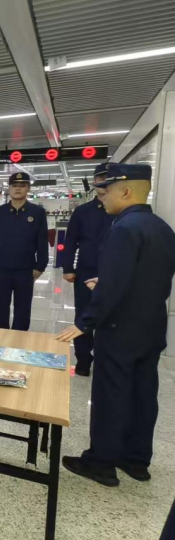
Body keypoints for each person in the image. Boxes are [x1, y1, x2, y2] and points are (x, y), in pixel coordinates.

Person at [58, 164, 175, 487]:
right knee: (143, 393)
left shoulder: (123, 228)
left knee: (112, 393)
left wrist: (86, 322)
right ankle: (136, 459)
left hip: (119, 328)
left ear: (125, 191)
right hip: (151, 325)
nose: (103, 197)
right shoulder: (162, 228)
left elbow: (113, 287)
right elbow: (148, 276)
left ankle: (101, 462)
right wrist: (107, 282)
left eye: (106, 191)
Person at [61, 163, 115, 376]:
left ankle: (106, 360)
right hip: (86, 271)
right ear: (94, 181)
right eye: (101, 177)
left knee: (111, 317)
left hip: (115, 273)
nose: (105, 181)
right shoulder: (83, 212)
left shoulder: (123, 211)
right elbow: (70, 241)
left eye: (109, 177)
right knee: (83, 315)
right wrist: (68, 267)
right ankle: (83, 360)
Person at [0, 172, 49, 331]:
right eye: (14, 186)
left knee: (23, 308)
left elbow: (42, 241)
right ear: (9, 188)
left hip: (26, 269)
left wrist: (40, 266)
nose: (18, 189)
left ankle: (19, 338)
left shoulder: (37, 212)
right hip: (1, 269)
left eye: (22, 186)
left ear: (28, 188)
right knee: (0, 307)